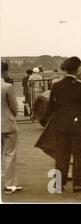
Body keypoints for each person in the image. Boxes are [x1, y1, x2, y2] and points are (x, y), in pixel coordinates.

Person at [48, 57, 81, 192]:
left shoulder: (56, 85)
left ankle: (58, 184)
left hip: (60, 125)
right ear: (77, 69)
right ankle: (78, 184)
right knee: (78, 155)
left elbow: (51, 107)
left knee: (61, 155)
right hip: (77, 125)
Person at [1, 62, 23, 194]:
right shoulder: (7, 86)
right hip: (7, 124)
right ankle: (9, 184)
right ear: (5, 71)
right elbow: (14, 107)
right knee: (10, 154)